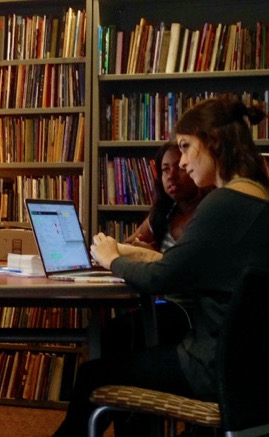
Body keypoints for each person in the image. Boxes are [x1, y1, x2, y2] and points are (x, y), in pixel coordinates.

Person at [53, 96, 269, 436]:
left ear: (212, 142)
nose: (181, 162)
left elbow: (162, 278)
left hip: (209, 367)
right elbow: (191, 266)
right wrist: (133, 254)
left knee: (93, 374)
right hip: (250, 372)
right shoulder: (258, 200)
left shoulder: (222, 204)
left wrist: (113, 259)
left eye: (185, 147)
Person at [101, 141, 207, 357]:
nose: (171, 176)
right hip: (165, 303)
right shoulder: (163, 214)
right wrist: (138, 250)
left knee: (116, 332)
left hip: (193, 314)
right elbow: (128, 245)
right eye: (165, 169)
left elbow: (181, 270)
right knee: (116, 329)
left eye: (179, 167)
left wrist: (150, 256)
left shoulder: (207, 214)